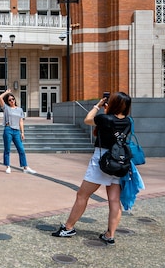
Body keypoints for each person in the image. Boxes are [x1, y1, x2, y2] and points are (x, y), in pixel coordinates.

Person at [52, 91, 133, 244]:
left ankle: (68, 227)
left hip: (101, 161)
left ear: (114, 103)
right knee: (114, 200)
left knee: (82, 195)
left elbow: (88, 120)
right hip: (119, 161)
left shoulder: (105, 118)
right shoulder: (128, 121)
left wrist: (98, 106)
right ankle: (110, 235)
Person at [0, 89, 36, 174]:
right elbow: (0, 97)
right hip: (8, 129)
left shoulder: (20, 110)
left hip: (16, 131)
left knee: (21, 149)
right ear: (8, 102)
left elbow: (21, 121)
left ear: (15, 100)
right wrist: (7, 93)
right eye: (10, 100)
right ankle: (8, 166)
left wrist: (22, 132)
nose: (12, 101)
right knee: (7, 149)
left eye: (13, 99)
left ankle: (25, 167)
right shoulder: (6, 108)